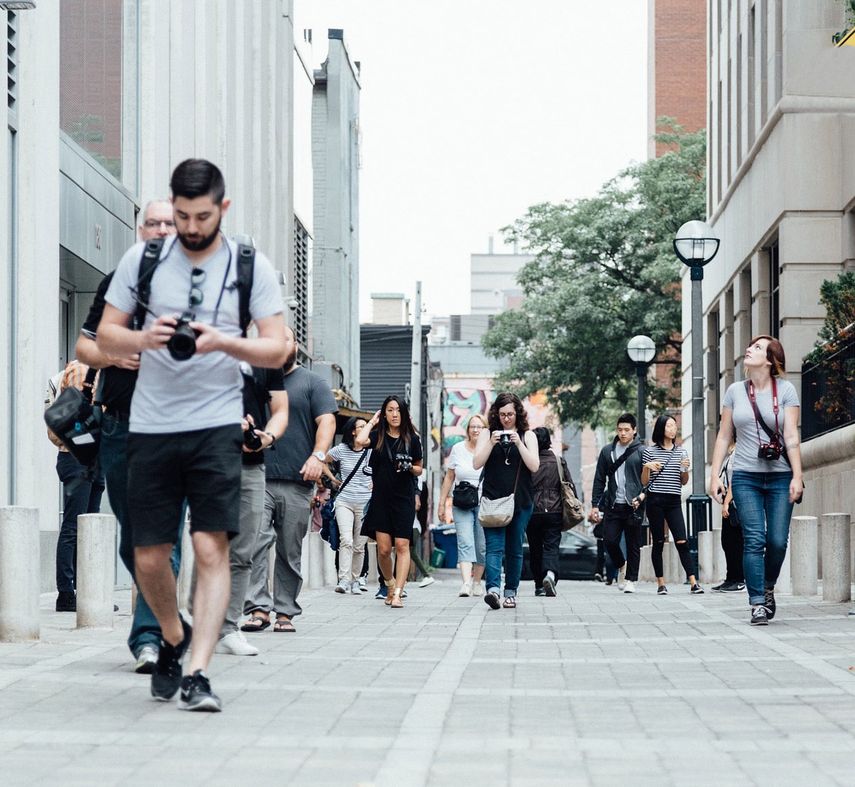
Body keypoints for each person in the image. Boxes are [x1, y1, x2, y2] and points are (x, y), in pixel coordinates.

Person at [97, 159, 287, 711]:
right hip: (152, 425)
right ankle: (174, 638)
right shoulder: (145, 258)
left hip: (216, 424)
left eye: (201, 216)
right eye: (181, 216)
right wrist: (143, 338)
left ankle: (199, 671)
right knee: (149, 555)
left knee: (210, 546)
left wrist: (225, 342)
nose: (190, 227)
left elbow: (279, 347)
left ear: (222, 209)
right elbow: (104, 333)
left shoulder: (250, 265)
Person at [75, 199, 180, 670]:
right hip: (120, 424)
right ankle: (162, 617)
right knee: (133, 537)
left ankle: (150, 637)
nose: (160, 230)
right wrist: (112, 357)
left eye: (168, 224)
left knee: (164, 536)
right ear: (141, 231)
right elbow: (83, 346)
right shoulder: (117, 285)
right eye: (152, 223)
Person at [242, 326, 337, 633]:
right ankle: (258, 608)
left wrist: (318, 456)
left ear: (295, 345)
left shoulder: (312, 382)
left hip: (298, 480)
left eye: (285, 339)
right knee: (255, 542)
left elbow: (327, 421)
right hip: (258, 475)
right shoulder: (254, 380)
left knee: (289, 549)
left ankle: (285, 611)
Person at [710, 335, 803, 626]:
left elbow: (790, 436)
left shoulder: (786, 390)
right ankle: (757, 603)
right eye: (751, 345)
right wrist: (714, 475)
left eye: (758, 347)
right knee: (754, 539)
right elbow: (725, 435)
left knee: (776, 541)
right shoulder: (735, 391)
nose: (749, 349)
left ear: (771, 360)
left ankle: (767, 586)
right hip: (746, 476)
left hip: (780, 476)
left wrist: (798, 476)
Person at [213, 364, 288, 656]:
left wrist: (264, 437)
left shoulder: (265, 358)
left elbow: (280, 409)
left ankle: (228, 630)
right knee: (211, 547)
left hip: (251, 465)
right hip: (207, 460)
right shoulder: (201, 347)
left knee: (244, 552)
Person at [45, 361, 105, 612]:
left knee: (87, 528)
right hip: (78, 456)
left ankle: (84, 593)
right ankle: (66, 594)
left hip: (87, 457)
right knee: (74, 526)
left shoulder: (93, 370)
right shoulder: (84, 370)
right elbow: (79, 417)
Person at [355, 396, 423, 609]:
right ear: (384, 413)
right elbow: (359, 441)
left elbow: (420, 467)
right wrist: (373, 421)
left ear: (404, 414)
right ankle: (390, 584)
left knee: (402, 545)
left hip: (404, 498)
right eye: (390, 410)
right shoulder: (377, 436)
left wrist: (410, 468)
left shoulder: (412, 439)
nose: (394, 414)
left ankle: (398, 594)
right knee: (383, 550)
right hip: (381, 499)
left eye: (398, 410)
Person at [473, 392, 539, 610]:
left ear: (517, 413)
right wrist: (490, 444)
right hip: (492, 500)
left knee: (514, 548)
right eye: (502, 414)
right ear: (496, 414)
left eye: (510, 414)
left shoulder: (527, 436)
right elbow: (476, 464)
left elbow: (534, 466)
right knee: (493, 548)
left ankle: (510, 592)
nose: (506, 419)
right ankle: (493, 590)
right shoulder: (487, 434)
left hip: (520, 501)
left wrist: (519, 443)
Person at [637, 415, 703, 595]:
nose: (673, 429)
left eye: (674, 425)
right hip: (655, 501)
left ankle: (693, 582)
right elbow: (644, 482)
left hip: (674, 501)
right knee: (658, 541)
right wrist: (647, 467)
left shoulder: (681, 452)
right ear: (661, 429)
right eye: (669, 426)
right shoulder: (649, 452)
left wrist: (685, 469)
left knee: (682, 540)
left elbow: (683, 481)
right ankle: (661, 583)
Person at [590, 413, 644, 594]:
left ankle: (631, 579)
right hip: (613, 504)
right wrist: (595, 504)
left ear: (634, 430)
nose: (623, 433)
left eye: (627, 430)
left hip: (633, 504)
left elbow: (649, 480)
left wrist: (641, 497)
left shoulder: (642, 451)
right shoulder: (607, 451)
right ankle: (622, 565)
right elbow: (599, 479)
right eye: (620, 429)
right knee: (609, 540)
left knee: (633, 543)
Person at [437, 414, 487, 597]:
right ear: (468, 430)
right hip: (462, 502)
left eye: (479, 427)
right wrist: (441, 504)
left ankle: (477, 582)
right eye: (472, 427)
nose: (475, 430)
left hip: (484, 503)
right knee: (465, 542)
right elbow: (449, 477)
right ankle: (466, 583)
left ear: (485, 430)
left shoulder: (489, 450)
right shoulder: (458, 449)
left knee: (482, 546)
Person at [325, 416, 372, 594]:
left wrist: (376, 482)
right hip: (344, 500)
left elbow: (383, 469)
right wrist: (333, 479)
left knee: (360, 545)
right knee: (346, 540)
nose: (365, 428)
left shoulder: (371, 451)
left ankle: (355, 580)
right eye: (361, 426)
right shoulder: (342, 450)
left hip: (365, 502)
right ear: (353, 431)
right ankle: (343, 579)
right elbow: (322, 460)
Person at [528, 426, 571, 597]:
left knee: (535, 548)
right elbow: (569, 485)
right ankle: (550, 574)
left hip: (532, 512)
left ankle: (539, 585)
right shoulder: (559, 461)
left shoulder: (529, 462)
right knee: (551, 546)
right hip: (554, 511)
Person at [712, 444, 745, 592]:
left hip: (736, 501)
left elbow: (737, 478)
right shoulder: (731, 451)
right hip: (730, 499)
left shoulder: (740, 450)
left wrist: (727, 502)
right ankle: (730, 578)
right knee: (727, 541)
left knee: (736, 542)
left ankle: (739, 580)